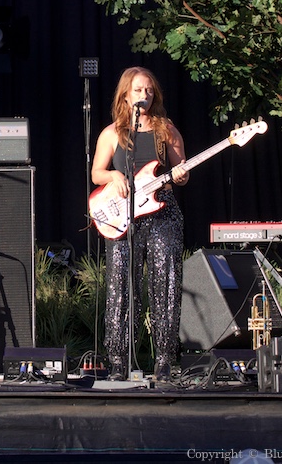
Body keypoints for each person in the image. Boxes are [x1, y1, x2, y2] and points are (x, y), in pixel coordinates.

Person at [91, 66, 188, 382]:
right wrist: (115, 176)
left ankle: (164, 360)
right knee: (121, 288)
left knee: (166, 284)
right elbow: (96, 174)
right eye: (137, 90)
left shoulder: (166, 130)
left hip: (163, 215)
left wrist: (183, 174)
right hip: (124, 218)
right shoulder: (112, 133)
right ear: (125, 95)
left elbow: (181, 170)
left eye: (148, 90)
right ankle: (118, 360)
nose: (144, 95)